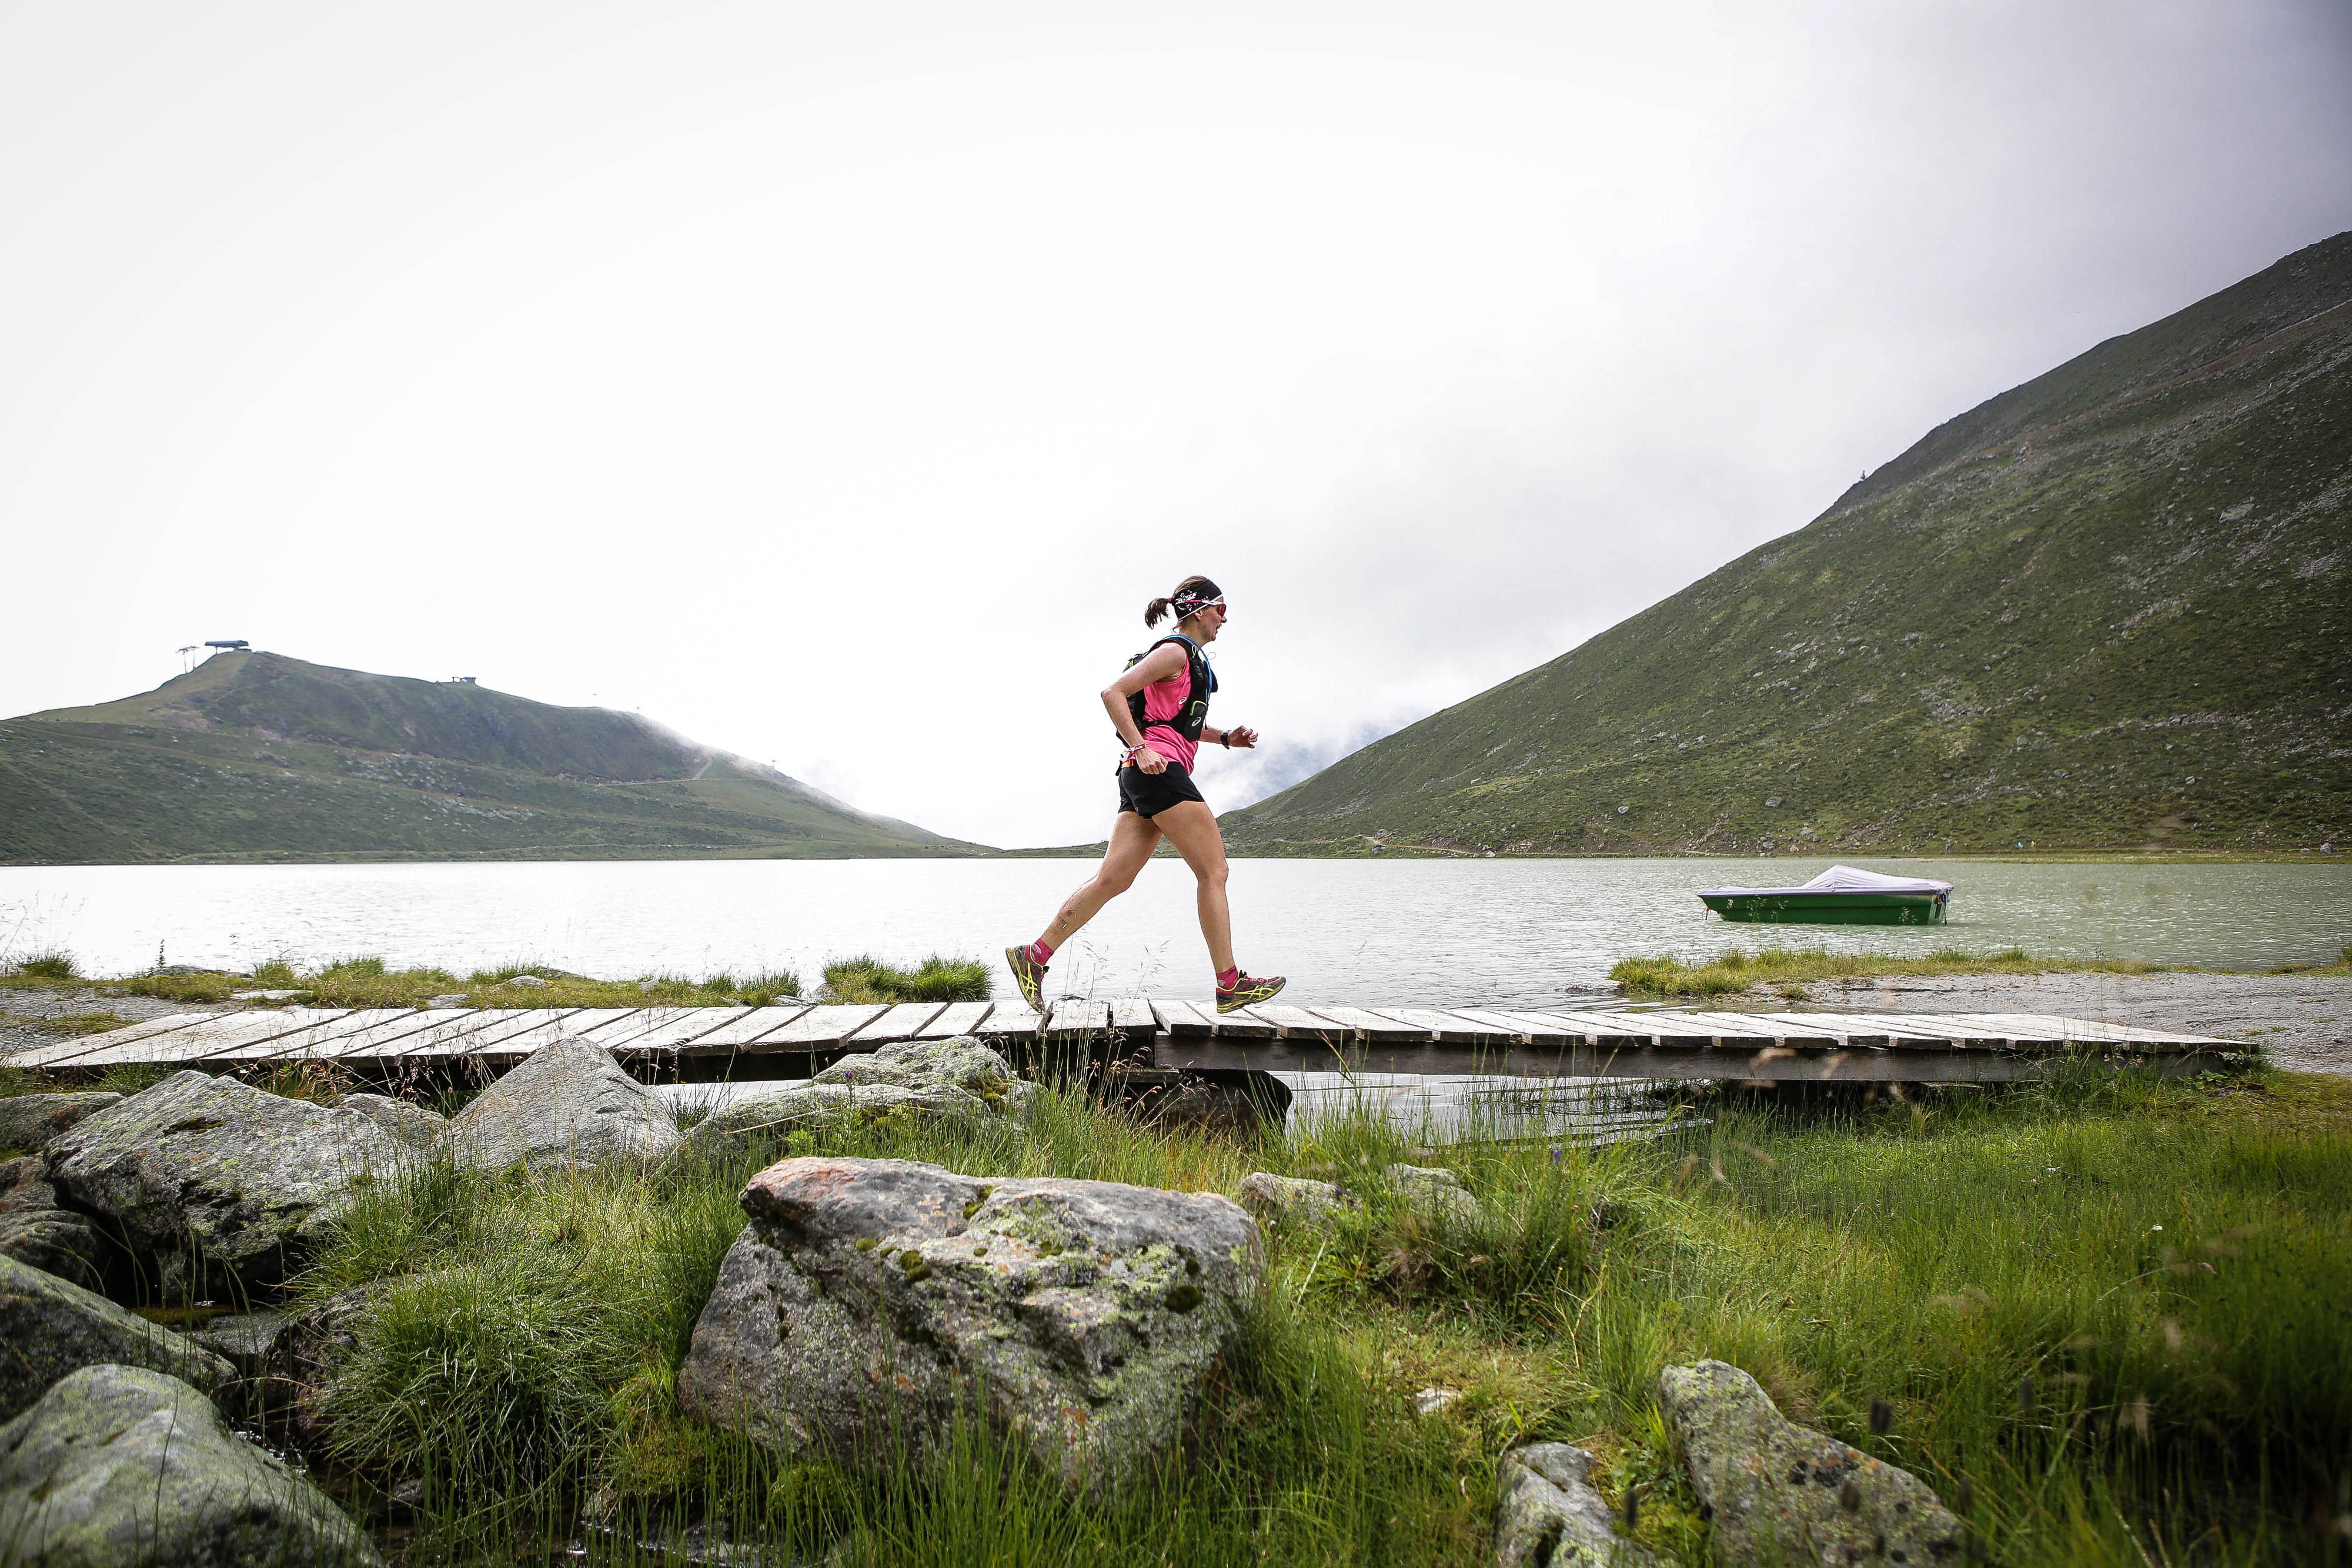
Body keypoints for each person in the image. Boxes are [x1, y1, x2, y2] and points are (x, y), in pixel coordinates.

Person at [1007, 575, 1286, 1016]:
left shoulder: (1187, 661)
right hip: (1157, 771)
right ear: (1198, 610)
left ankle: (1035, 956)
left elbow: (1179, 726)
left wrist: (1227, 738)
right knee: (1215, 870)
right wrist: (1141, 747)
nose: (1225, 619)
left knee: (1112, 880)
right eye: (1220, 609)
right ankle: (1230, 985)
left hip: (1140, 774)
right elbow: (1112, 692)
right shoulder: (1175, 651)